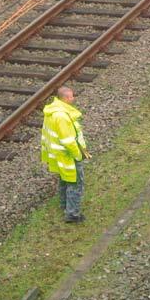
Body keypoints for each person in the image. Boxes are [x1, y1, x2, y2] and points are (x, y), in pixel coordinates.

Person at [41, 86, 91, 223]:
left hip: (57, 153)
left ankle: (64, 204)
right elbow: (68, 140)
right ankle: (72, 214)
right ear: (66, 98)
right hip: (67, 155)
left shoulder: (52, 111)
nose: (73, 98)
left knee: (64, 179)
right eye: (72, 96)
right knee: (75, 183)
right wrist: (78, 154)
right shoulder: (62, 116)